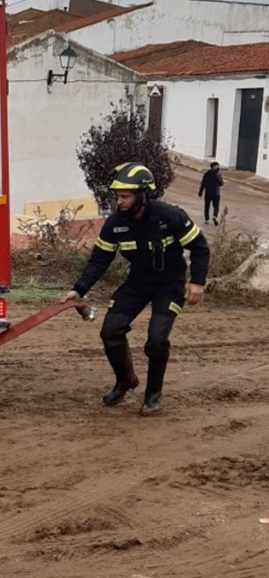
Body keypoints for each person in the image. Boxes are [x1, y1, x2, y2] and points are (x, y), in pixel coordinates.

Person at [60, 162, 210, 415]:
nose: (119, 202)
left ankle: (152, 396)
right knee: (111, 331)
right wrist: (79, 289)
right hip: (137, 283)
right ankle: (126, 380)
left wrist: (197, 282)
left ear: (142, 194)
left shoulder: (170, 216)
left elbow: (200, 247)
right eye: (117, 196)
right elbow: (99, 260)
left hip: (169, 284)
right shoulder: (115, 224)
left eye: (125, 196)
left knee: (156, 340)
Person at [198, 161, 224, 225]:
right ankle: (214, 216)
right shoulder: (218, 174)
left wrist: (200, 191)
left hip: (208, 192)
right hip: (216, 193)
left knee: (207, 206)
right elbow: (221, 183)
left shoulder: (207, 174)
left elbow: (203, 183)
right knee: (216, 206)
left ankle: (206, 219)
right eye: (217, 166)